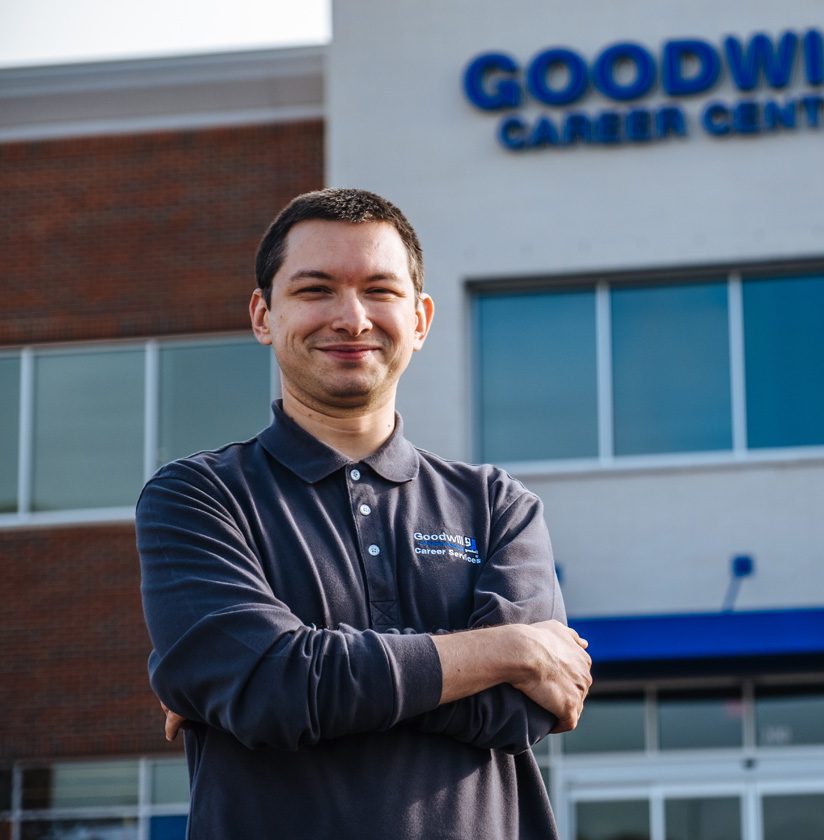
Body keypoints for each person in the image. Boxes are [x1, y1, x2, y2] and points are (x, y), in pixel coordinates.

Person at [137, 188, 592, 839]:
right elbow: (271, 689)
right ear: (264, 316)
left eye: (379, 290)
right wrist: (510, 648)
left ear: (421, 318)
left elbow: (521, 713)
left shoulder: (498, 507)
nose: (351, 318)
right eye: (316, 289)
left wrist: (303, 683)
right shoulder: (197, 498)